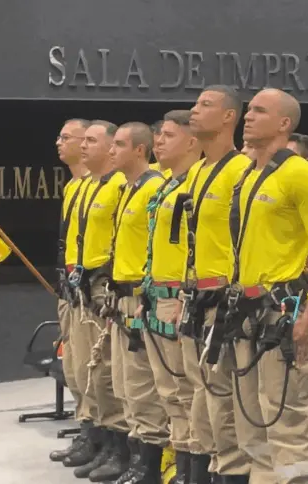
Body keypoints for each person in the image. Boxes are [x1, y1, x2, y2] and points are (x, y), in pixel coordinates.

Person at [228, 88, 308, 484]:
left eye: (259, 111)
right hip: (246, 314)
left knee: (287, 426)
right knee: (252, 426)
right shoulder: (250, 174)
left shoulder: (300, 173)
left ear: (284, 124)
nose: (248, 116)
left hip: (282, 314)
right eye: (248, 110)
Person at [185, 85, 255, 484]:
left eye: (205, 105)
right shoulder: (198, 170)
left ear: (229, 116)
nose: (195, 111)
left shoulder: (240, 169)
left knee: (228, 402)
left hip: (229, 301)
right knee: (206, 399)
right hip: (199, 298)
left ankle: (231, 475)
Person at [96, 122, 168, 482]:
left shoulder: (153, 187)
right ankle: (134, 457)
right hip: (121, 296)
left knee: (142, 386)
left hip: (142, 298)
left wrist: (147, 296)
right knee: (124, 385)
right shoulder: (128, 189)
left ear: (140, 150)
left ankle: (149, 465)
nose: (112, 150)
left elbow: (158, 249)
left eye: (119, 144)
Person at [63, 120, 130, 478]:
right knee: (81, 370)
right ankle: (96, 438)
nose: (83, 146)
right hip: (79, 286)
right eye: (82, 140)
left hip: (103, 286)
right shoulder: (84, 185)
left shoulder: (120, 186)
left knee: (105, 371)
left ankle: (118, 448)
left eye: (92, 140)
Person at [140, 110, 202, 484]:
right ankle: (180, 468)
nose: (158, 142)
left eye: (167, 135)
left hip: (181, 298)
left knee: (192, 392)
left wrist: (186, 296)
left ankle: (194, 471)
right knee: (171, 392)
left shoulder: (197, 186)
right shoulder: (167, 185)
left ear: (192, 142)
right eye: (158, 135)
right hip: (157, 295)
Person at [49, 118, 92, 464]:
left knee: (93, 370)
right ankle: (87, 432)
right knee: (74, 368)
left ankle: (99, 438)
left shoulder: (105, 185)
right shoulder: (73, 187)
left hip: (92, 291)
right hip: (69, 289)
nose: (58, 143)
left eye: (67, 137)